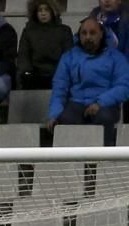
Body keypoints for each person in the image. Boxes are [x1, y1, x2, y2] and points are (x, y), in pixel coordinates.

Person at [48, 16, 129, 147]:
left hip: (104, 104)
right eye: (84, 33)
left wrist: (99, 102)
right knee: (65, 119)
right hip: (76, 103)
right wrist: (54, 114)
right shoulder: (68, 57)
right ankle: (71, 165)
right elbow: (59, 88)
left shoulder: (116, 57)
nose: (88, 37)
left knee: (104, 117)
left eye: (92, 33)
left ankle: (103, 162)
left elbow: (124, 86)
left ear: (101, 34)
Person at [17, 1, 74, 90]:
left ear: (53, 11)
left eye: (46, 10)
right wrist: (26, 72)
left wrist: (63, 72)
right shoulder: (28, 32)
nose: (43, 13)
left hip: (58, 73)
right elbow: (23, 55)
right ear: (35, 13)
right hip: (35, 75)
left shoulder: (64, 31)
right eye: (40, 10)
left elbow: (68, 55)